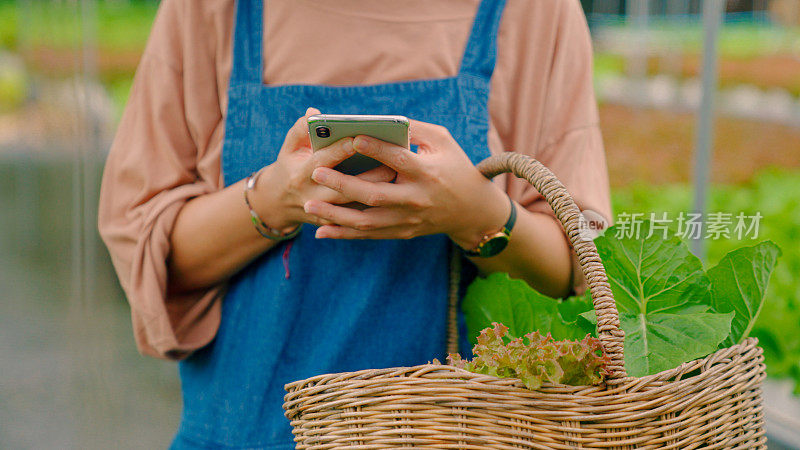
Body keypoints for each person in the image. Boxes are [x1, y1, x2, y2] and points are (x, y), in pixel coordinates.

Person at [98, 0, 612, 447]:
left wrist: (476, 215)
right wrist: (273, 199)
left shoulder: (534, 11)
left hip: (462, 435)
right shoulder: (215, 9)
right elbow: (150, 255)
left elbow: (579, 266)